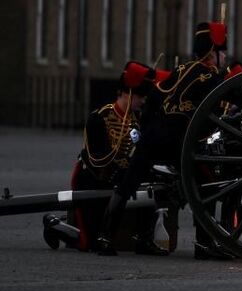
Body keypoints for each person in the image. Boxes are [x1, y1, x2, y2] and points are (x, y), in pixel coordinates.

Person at [96, 21, 227, 258]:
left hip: (153, 138)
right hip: (179, 141)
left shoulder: (179, 71)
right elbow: (220, 108)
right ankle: (204, 244)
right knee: (207, 183)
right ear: (212, 53)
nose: (225, 57)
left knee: (128, 184)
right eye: (222, 52)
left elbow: (155, 97)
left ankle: (106, 237)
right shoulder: (211, 76)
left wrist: (147, 132)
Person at [43, 61, 164, 254]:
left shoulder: (140, 119)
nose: (143, 101)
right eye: (141, 96)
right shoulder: (99, 118)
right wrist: (121, 152)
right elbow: (97, 160)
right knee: (87, 243)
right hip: (93, 180)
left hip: (121, 182)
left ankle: (145, 238)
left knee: (147, 185)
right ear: (128, 93)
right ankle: (54, 224)